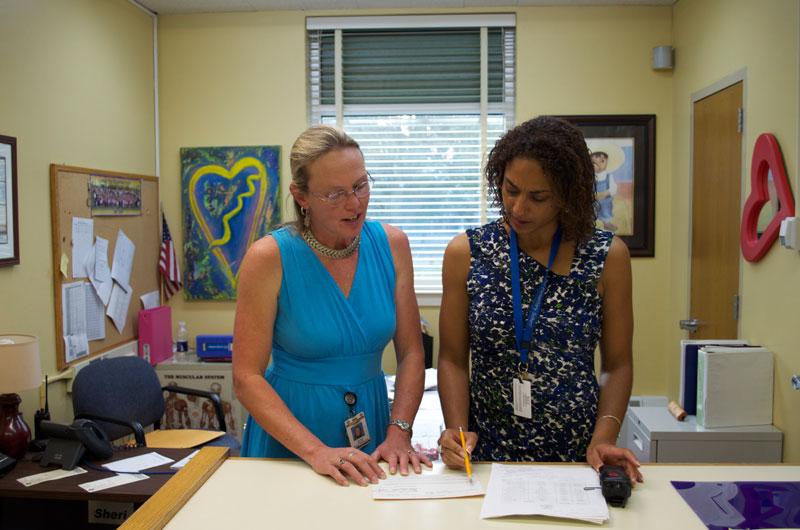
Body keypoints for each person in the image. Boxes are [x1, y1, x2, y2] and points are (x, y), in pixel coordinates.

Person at [436, 116, 642, 482]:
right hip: (485, 458)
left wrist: (604, 437)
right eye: (511, 189)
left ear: (567, 195)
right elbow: (452, 359)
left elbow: (618, 364)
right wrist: (456, 428)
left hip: (578, 456)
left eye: (538, 197)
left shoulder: (606, 257)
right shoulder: (466, 253)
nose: (518, 208)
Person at [233, 125, 431, 487]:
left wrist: (400, 429)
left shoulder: (393, 245)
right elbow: (246, 377)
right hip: (293, 431)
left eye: (360, 185)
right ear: (301, 196)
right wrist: (314, 451)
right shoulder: (269, 258)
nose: (355, 204)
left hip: (370, 420)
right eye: (335, 194)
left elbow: (412, 352)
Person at [591, 151, 618, 231]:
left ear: (606, 162)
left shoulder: (608, 176)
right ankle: (591, 225)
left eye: (602, 161)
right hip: (593, 199)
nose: (598, 164)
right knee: (591, 211)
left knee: (606, 210)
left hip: (605, 199)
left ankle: (607, 223)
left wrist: (606, 193)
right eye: (594, 162)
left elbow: (613, 188)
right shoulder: (590, 177)